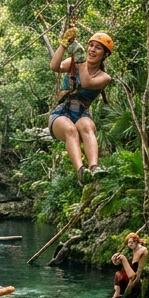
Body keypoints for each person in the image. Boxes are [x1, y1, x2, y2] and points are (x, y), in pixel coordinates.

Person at [49, 24, 112, 182]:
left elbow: (86, 82)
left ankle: (94, 167)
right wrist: (64, 45)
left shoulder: (104, 77)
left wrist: (81, 59)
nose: (92, 49)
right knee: (70, 130)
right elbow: (54, 66)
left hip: (81, 112)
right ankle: (81, 171)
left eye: (98, 48)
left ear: (105, 54)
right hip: (61, 113)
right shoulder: (75, 61)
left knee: (87, 126)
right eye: (90, 45)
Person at [111, 232, 148, 298]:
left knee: (122, 258)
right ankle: (117, 293)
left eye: (131, 242)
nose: (130, 245)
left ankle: (120, 294)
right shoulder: (132, 249)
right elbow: (117, 263)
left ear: (136, 241)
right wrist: (114, 259)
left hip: (133, 275)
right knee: (117, 273)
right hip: (130, 273)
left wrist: (127, 290)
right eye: (128, 243)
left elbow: (137, 275)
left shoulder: (143, 250)